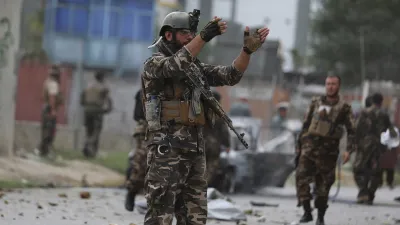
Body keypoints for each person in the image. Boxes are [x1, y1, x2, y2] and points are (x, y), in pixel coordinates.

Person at [141, 10, 269, 225]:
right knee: (160, 215)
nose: (191, 37)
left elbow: (230, 75)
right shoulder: (154, 64)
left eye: (192, 33)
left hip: (194, 151)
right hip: (167, 150)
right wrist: (204, 36)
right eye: (185, 33)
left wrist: (247, 51)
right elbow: (175, 66)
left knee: (196, 217)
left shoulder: (194, 67)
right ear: (169, 35)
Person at [296, 75, 356, 225]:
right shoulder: (315, 102)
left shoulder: (344, 107)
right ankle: (307, 211)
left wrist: (348, 150)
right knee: (301, 178)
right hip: (309, 149)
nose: (330, 87)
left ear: (339, 86)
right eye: (328, 84)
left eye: (333, 84)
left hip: (328, 153)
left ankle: (320, 217)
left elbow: (352, 130)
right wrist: (299, 145)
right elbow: (306, 124)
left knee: (323, 186)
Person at [353, 93, 397, 204]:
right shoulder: (384, 114)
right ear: (381, 102)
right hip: (379, 145)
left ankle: (363, 192)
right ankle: (371, 194)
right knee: (376, 171)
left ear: (372, 101)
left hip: (365, 145)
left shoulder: (364, 112)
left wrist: (355, 143)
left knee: (358, 169)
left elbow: (356, 128)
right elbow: (392, 132)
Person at [125, 89, 148, 211]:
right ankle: (132, 192)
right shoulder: (144, 91)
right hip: (147, 132)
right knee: (141, 165)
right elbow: (137, 115)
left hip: (170, 133)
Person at [80, 71, 112, 158]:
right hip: (97, 110)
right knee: (96, 131)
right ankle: (90, 146)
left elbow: (82, 100)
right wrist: (108, 109)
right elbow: (107, 99)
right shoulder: (103, 87)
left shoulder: (88, 86)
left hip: (87, 110)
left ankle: (89, 149)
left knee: (88, 130)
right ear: (102, 78)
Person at [205, 91, 231, 185]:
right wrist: (227, 145)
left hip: (199, 143)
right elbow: (224, 131)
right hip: (213, 145)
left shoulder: (199, 110)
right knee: (211, 167)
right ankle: (203, 186)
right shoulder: (218, 113)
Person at [39, 65, 63, 156]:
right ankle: (45, 151)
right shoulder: (53, 84)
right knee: (49, 131)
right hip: (49, 108)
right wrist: (53, 110)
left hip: (46, 108)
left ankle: (43, 151)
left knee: (46, 130)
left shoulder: (47, 82)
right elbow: (52, 97)